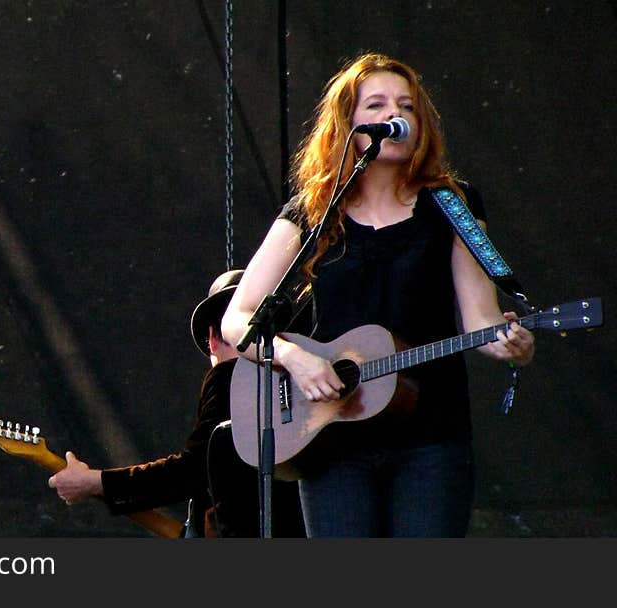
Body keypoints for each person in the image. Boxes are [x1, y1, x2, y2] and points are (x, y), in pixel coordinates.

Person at [220, 52, 535, 538]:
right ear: (349, 123)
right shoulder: (312, 212)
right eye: (378, 104)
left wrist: (510, 342)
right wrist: (294, 358)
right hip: (331, 437)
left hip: (431, 436)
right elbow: (237, 319)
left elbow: (481, 321)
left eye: (407, 106)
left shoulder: (453, 204)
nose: (395, 115)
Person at [47, 269, 306, 538]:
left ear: (213, 339)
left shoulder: (228, 376)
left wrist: (96, 482)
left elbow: (193, 469)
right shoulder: (302, 382)